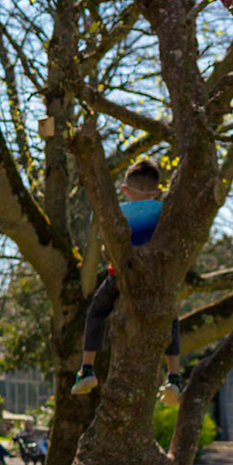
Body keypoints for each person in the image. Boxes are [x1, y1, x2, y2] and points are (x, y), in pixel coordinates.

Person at [71, 158, 185, 404]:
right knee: (171, 320)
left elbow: (106, 251)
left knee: (96, 313)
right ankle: (174, 377)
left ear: (125, 190)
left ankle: (87, 369)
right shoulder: (163, 211)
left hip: (119, 278)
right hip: (155, 280)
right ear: (157, 191)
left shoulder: (118, 212)